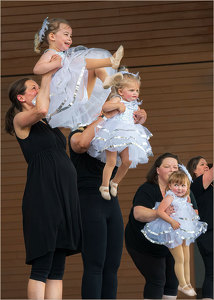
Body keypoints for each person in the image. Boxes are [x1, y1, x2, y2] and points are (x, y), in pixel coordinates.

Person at [5, 68, 82, 299]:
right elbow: (42, 108)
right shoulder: (21, 119)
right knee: (42, 267)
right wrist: (46, 76)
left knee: (57, 270)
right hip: (43, 195)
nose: (38, 90)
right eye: (33, 88)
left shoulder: (49, 122)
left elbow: (66, 108)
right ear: (21, 97)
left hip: (64, 194)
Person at [68, 107, 147, 299]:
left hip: (111, 202)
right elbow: (81, 145)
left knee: (112, 265)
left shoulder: (111, 136)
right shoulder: (77, 133)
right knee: (95, 264)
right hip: (89, 200)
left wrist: (137, 120)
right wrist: (104, 117)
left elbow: (130, 142)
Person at [125, 153, 199, 299]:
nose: (172, 169)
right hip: (143, 243)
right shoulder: (147, 189)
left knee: (172, 281)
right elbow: (138, 213)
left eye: (175, 167)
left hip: (170, 241)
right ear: (158, 170)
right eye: (167, 166)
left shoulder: (184, 190)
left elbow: (194, 212)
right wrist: (161, 213)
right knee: (157, 279)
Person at [33, 17, 124, 130]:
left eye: (70, 36)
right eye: (66, 34)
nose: (70, 39)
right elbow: (37, 69)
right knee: (79, 60)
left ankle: (107, 79)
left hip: (78, 93)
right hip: (63, 95)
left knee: (92, 65)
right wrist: (55, 64)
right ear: (52, 36)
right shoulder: (50, 53)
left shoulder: (65, 55)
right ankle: (110, 61)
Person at [87, 71, 153, 200]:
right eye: (132, 90)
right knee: (111, 161)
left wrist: (141, 118)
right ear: (121, 91)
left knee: (127, 161)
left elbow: (138, 121)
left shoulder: (135, 105)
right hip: (113, 132)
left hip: (127, 135)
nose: (135, 93)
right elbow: (105, 107)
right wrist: (117, 105)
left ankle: (115, 182)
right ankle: (104, 185)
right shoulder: (118, 99)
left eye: (137, 90)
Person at [142, 168, 207, 297]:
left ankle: (187, 283)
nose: (179, 188)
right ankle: (182, 284)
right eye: (176, 185)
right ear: (170, 185)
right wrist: (171, 221)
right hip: (172, 230)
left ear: (187, 187)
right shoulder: (170, 196)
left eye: (183, 185)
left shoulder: (185, 197)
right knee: (180, 258)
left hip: (183, 229)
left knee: (187, 258)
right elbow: (160, 211)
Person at [187, 156, 213, 299]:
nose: (206, 166)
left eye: (206, 164)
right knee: (212, 272)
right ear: (194, 171)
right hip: (209, 234)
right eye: (202, 164)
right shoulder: (196, 184)